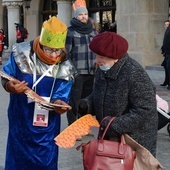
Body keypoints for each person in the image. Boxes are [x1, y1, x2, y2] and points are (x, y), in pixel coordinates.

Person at [1, 16, 75, 170]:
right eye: (49, 49)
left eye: (57, 50)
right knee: (17, 161)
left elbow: (62, 93)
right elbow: (6, 76)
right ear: (41, 43)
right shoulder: (21, 53)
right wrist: (10, 86)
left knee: (45, 161)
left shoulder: (65, 66)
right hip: (20, 121)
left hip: (46, 127)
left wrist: (60, 103)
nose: (54, 55)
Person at [77, 32, 158, 157]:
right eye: (96, 55)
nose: (97, 60)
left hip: (134, 141)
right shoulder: (103, 70)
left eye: (101, 56)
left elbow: (145, 109)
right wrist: (86, 104)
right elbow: (98, 95)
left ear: (115, 57)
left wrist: (114, 125)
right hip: (109, 137)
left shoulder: (134, 73)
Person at [65, 2, 98, 128]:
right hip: (77, 72)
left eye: (85, 14)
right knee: (75, 100)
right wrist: (72, 70)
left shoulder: (93, 32)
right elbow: (66, 53)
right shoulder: (70, 32)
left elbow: (97, 50)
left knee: (87, 101)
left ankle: (83, 125)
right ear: (76, 16)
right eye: (81, 15)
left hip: (91, 71)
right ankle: (72, 125)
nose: (84, 17)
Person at [160, 20, 170, 86]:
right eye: (165, 24)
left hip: (169, 52)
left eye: (168, 24)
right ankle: (166, 81)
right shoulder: (167, 31)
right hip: (166, 52)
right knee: (166, 67)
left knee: (168, 67)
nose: (166, 25)